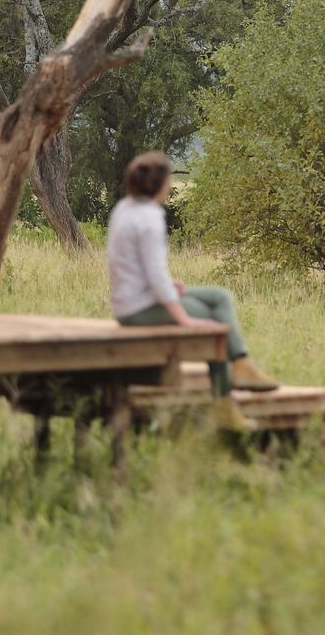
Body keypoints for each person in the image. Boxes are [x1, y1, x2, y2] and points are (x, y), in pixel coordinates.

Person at [109, 151, 277, 429]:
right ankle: (223, 402)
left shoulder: (125, 208)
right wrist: (184, 318)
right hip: (138, 308)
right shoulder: (149, 218)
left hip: (134, 298)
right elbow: (154, 274)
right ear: (161, 184)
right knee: (213, 320)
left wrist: (167, 284)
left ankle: (241, 364)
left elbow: (136, 265)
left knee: (219, 297)